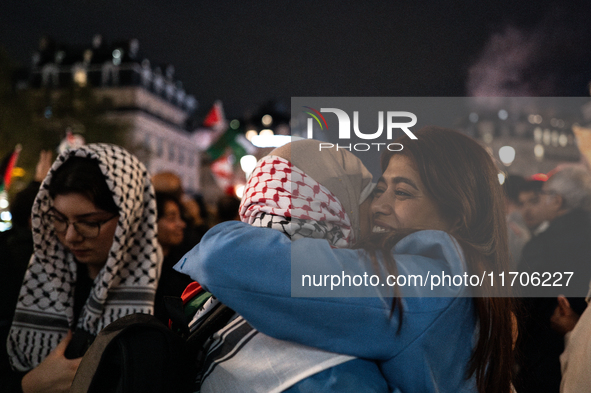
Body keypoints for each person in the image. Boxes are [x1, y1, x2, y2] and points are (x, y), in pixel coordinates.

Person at [175, 127, 515, 393]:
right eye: (379, 190)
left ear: (457, 215)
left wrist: (220, 236)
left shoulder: (427, 280)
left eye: (402, 192)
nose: (379, 206)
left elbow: (233, 260)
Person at [183, 139, 387, 392]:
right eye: (364, 199)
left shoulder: (220, 289)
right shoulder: (328, 330)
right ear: (335, 206)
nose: (376, 212)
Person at [6, 143, 161, 393]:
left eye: (89, 223)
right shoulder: (23, 276)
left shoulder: (172, 294)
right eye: (58, 219)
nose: (70, 237)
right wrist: (28, 385)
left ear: (130, 216)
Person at [515, 166, 591, 393]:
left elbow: (522, 306)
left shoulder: (542, 246)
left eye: (542, 197)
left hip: (544, 362)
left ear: (557, 201)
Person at [153, 191, 193, 324]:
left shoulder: (185, 266)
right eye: (171, 218)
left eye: (180, 217)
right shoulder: (140, 274)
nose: (181, 224)